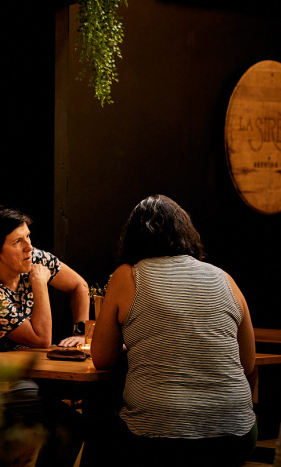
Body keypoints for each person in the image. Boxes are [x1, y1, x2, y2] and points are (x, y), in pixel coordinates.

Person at [91, 195, 256, 467]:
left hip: (158, 438)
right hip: (236, 437)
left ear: (132, 238)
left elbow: (102, 358)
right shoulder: (224, 278)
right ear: (186, 232)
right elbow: (247, 363)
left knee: (97, 428)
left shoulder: (127, 275)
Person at [0, 206, 91, 352]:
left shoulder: (32, 258)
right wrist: (39, 283)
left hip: (23, 360)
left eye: (28, 236)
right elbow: (42, 339)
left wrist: (81, 332)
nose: (29, 247)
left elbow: (79, 285)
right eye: (17, 241)